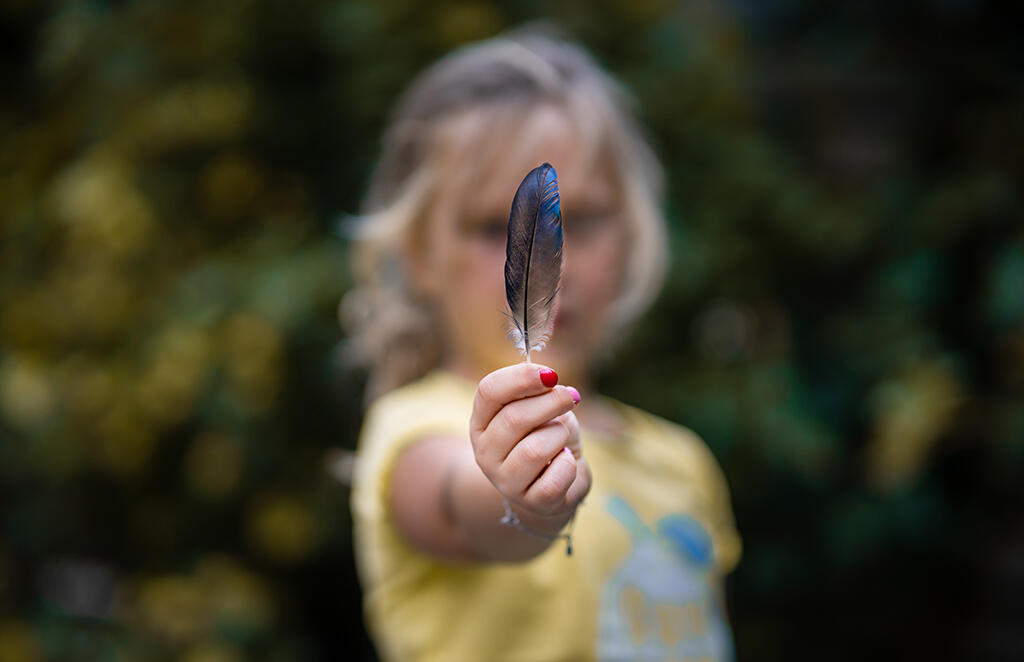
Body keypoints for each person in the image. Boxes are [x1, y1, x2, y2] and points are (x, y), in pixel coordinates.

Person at [345, 28, 741, 662]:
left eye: (581, 219)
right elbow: (463, 503)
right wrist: (525, 505)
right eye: (489, 227)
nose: (560, 261)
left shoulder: (679, 461)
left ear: (633, 231)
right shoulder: (417, 434)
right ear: (419, 252)